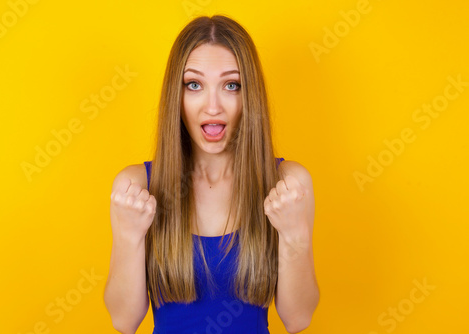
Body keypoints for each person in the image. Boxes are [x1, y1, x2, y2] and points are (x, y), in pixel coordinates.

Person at [104, 14, 319, 334]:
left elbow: (298, 319)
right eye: (194, 85)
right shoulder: (137, 187)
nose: (213, 106)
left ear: (250, 97)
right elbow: (124, 321)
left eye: (231, 85)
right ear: (176, 97)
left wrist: (294, 235)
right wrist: (129, 238)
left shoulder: (288, 184)